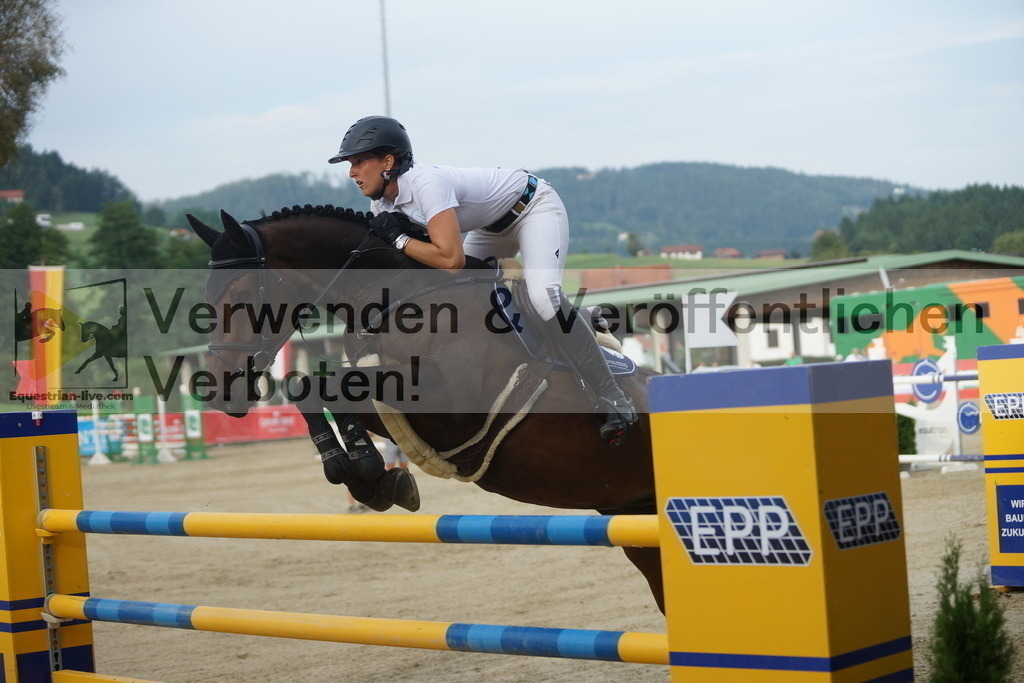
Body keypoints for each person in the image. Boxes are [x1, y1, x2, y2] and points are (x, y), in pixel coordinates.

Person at [328, 115, 637, 447]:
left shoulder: (426, 184)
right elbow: (424, 265)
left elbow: (450, 258)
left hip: (533, 208)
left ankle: (612, 396)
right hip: (490, 228)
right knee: (464, 291)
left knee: (544, 297)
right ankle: (564, 328)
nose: (352, 173)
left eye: (359, 162)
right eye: (350, 164)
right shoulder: (381, 203)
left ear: (388, 162)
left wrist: (400, 240)